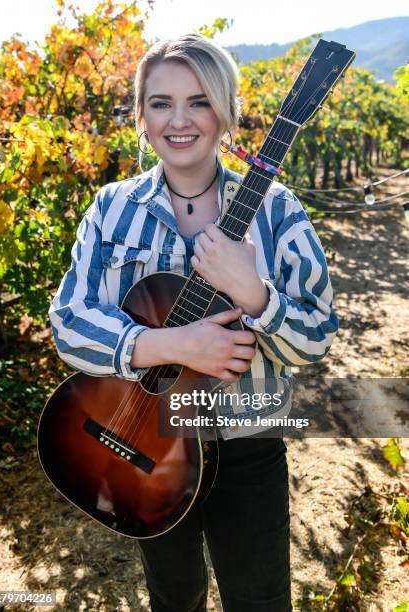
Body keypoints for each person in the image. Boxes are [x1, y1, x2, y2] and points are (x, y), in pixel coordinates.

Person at [48, 32, 339, 612]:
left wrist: (255, 293)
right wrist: (171, 343)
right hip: (142, 437)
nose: (179, 120)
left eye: (199, 100)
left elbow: (316, 337)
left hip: (248, 442)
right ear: (141, 115)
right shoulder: (112, 209)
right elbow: (69, 321)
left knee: (259, 599)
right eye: (161, 103)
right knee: (174, 594)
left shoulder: (277, 210)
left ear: (227, 112)